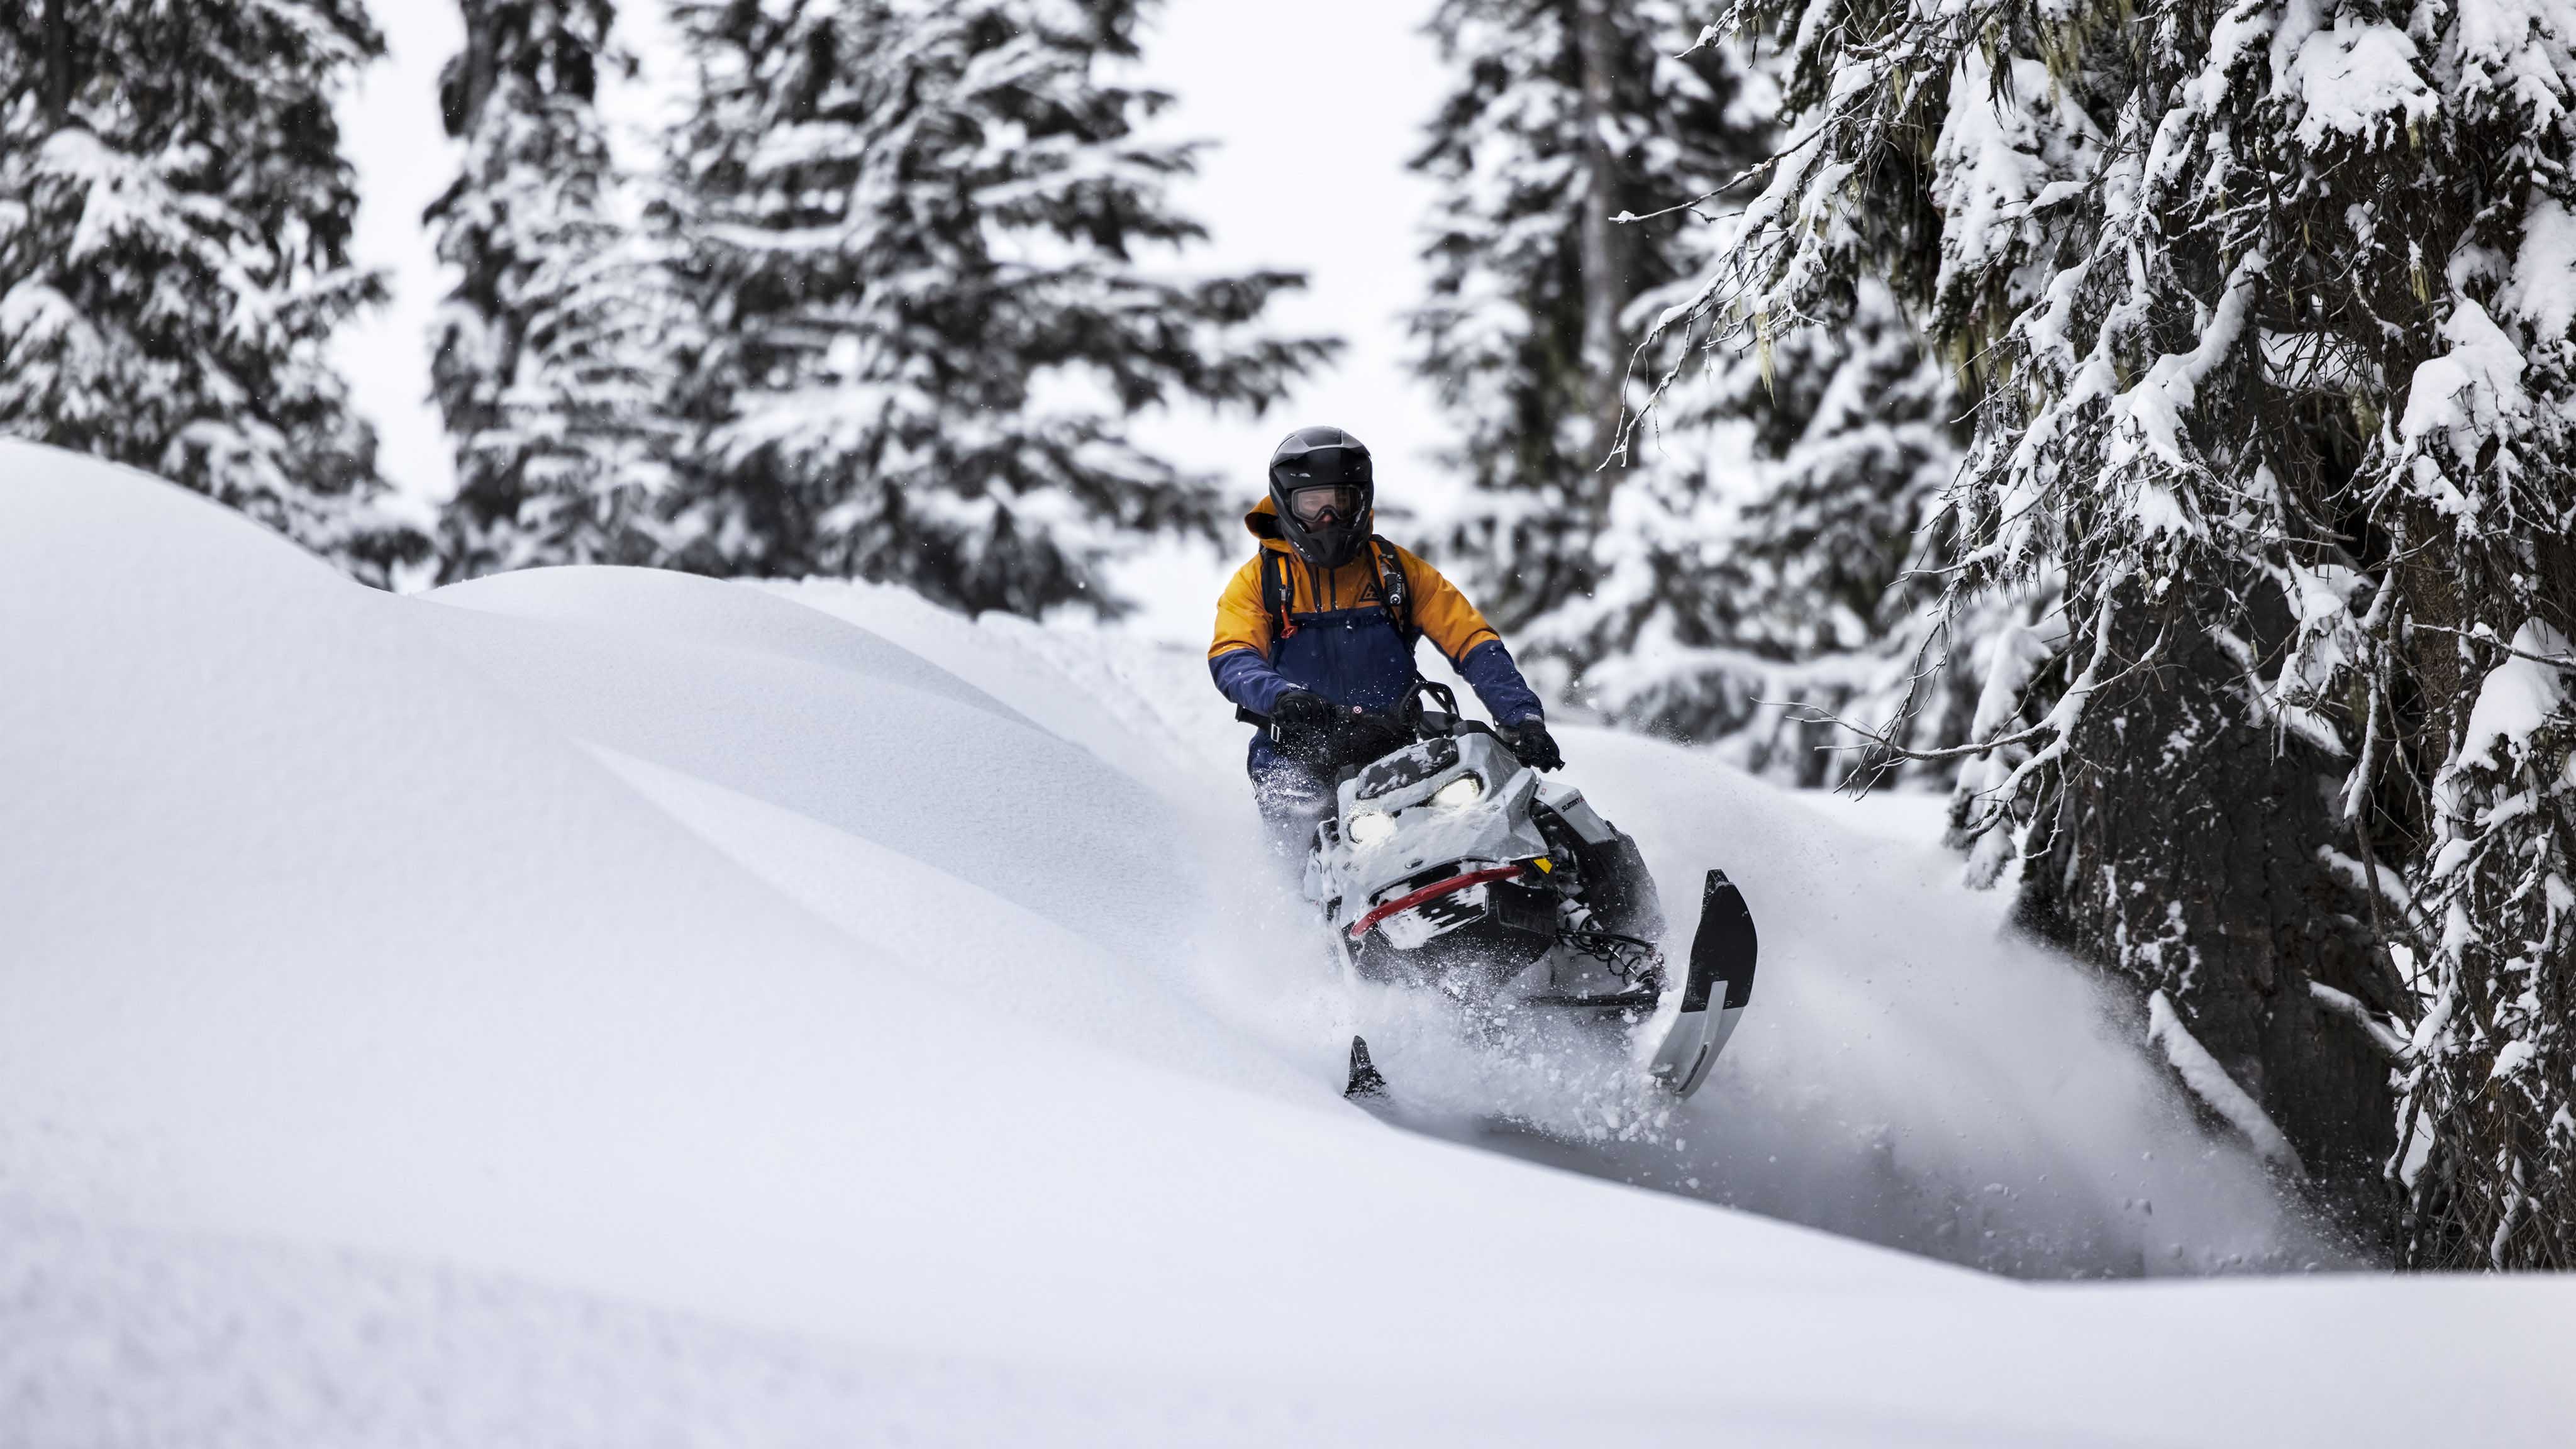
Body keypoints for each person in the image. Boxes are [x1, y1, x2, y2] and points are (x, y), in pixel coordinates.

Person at [1208, 425, 1562, 847]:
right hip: (1297, 755)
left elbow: (1473, 642)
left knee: (1508, 816)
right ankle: (1300, 912)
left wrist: (1521, 717)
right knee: (1305, 855)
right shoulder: (1259, 581)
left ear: (1363, 500)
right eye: (1313, 505)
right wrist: (1280, 696)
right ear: (1286, 505)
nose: (1328, 519)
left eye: (1341, 502)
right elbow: (1232, 655)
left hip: (1393, 743)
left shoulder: (1397, 570)